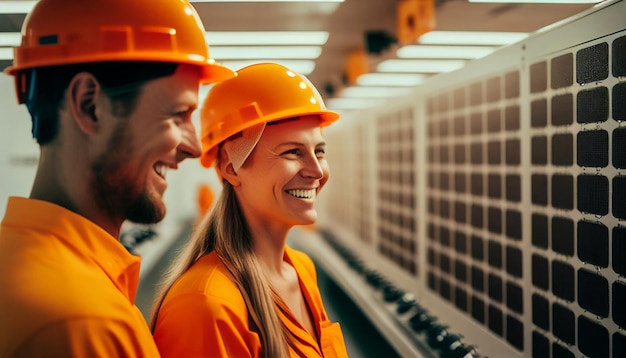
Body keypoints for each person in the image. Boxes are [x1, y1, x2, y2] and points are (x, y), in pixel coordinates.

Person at [0, 0, 235, 356]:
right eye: (177, 115)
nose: (193, 147)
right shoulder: (84, 325)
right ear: (89, 104)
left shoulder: (14, 258)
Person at [150, 63, 349, 358]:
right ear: (232, 168)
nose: (316, 171)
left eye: (319, 151)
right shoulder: (205, 306)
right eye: (292, 152)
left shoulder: (300, 268)